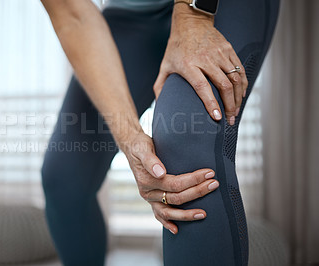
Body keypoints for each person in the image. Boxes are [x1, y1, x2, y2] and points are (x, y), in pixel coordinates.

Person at [40, 0, 279, 265]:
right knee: (64, 177)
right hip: (130, 15)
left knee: (186, 137)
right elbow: (73, 15)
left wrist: (193, 17)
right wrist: (130, 138)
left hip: (223, 6)